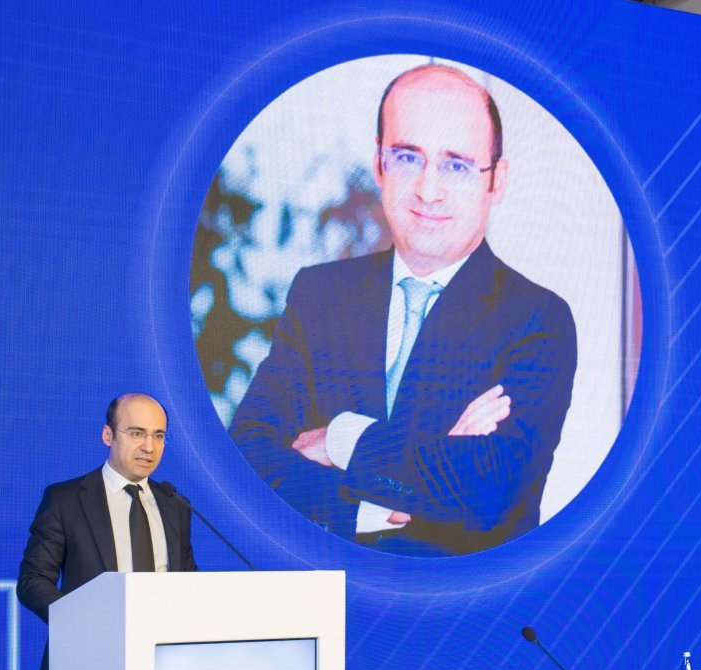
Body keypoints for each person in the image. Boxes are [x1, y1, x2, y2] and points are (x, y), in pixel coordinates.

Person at [229, 63, 578, 556]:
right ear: (379, 164)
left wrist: (340, 439)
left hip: (457, 602)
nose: (428, 190)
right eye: (408, 157)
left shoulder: (536, 320)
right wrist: (375, 506)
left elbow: (485, 489)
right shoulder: (320, 294)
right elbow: (248, 455)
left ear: (496, 181)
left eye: (457, 165)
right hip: (322, 593)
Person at [17, 393, 196, 670]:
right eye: (137, 433)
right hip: (88, 665)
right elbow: (32, 581)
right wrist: (85, 625)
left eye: (158, 436)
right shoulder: (66, 500)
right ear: (108, 435)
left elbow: (187, 579)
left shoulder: (174, 504)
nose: (149, 447)